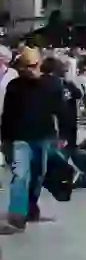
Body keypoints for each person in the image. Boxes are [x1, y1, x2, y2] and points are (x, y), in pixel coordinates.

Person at [0, 48, 63, 231]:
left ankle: (31, 204)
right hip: (20, 138)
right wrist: (5, 139)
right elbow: (8, 115)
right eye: (28, 66)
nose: (32, 69)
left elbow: (61, 111)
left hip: (43, 137)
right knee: (20, 175)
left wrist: (64, 136)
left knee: (38, 175)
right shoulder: (14, 86)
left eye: (35, 65)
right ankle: (17, 214)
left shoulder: (52, 85)